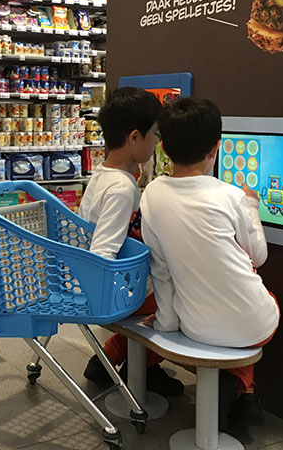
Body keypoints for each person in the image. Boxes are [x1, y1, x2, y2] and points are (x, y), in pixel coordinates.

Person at [140, 97, 280, 429]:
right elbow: (258, 256)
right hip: (256, 326)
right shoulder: (231, 196)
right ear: (216, 147)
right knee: (255, 288)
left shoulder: (152, 195)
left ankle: (242, 392)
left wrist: (164, 324)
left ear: (163, 147)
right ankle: (245, 392)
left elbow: (161, 272)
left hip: (195, 327)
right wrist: (250, 206)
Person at [80, 87, 184, 397]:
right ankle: (145, 369)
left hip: (105, 285)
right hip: (117, 291)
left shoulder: (103, 177)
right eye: (154, 135)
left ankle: (108, 359)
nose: (157, 143)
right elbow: (103, 252)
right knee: (182, 300)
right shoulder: (122, 190)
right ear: (135, 138)